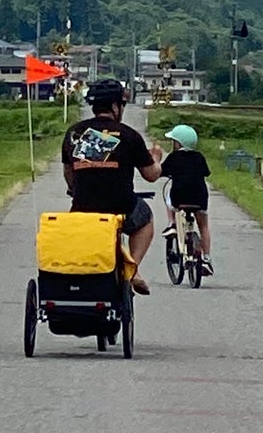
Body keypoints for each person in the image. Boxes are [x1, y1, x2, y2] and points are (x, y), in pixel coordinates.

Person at [61, 78, 162, 294]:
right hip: (121, 208)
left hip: (83, 208)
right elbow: (151, 176)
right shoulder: (129, 135)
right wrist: (156, 159)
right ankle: (132, 267)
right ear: (115, 106)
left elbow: (69, 172)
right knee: (146, 218)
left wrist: (74, 189)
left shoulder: (74, 133)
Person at [160, 124, 212, 274]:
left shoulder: (174, 157)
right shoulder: (199, 157)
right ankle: (206, 258)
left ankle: (171, 224)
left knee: (169, 199)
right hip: (200, 197)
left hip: (180, 196)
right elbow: (206, 173)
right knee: (203, 226)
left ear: (178, 143)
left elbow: (162, 171)